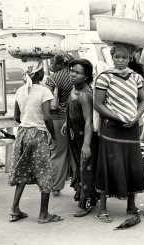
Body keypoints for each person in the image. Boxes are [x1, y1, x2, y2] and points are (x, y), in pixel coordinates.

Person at [94, 44, 144, 223]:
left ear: (130, 58)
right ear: (112, 57)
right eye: (117, 57)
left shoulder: (136, 77)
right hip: (111, 128)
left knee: (131, 164)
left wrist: (136, 116)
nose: (120, 61)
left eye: (124, 58)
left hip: (131, 128)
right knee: (108, 165)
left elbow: (143, 100)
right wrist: (118, 117)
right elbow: (98, 104)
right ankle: (102, 209)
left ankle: (131, 205)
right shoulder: (105, 77)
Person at [8, 58, 63, 224]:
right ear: (40, 73)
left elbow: (17, 117)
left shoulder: (20, 91)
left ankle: (15, 209)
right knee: (44, 172)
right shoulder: (44, 91)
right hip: (38, 134)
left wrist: (27, 124)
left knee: (22, 170)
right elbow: (47, 117)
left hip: (22, 133)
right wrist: (53, 136)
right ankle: (44, 214)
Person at [61, 59, 99, 217]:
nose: (72, 75)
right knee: (79, 167)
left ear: (86, 76)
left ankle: (87, 203)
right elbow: (72, 111)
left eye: (77, 73)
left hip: (85, 138)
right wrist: (66, 123)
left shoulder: (85, 95)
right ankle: (85, 196)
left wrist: (87, 145)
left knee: (86, 169)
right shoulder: (74, 90)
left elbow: (89, 121)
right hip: (75, 136)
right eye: (72, 71)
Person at [45, 51, 74, 197]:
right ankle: (80, 185)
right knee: (75, 152)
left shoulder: (53, 78)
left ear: (59, 63)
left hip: (57, 119)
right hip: (74, 118)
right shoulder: (75, 74)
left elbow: (45, 100)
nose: (50, 65)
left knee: (58, 152)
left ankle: (55, 186)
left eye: (52, 62)